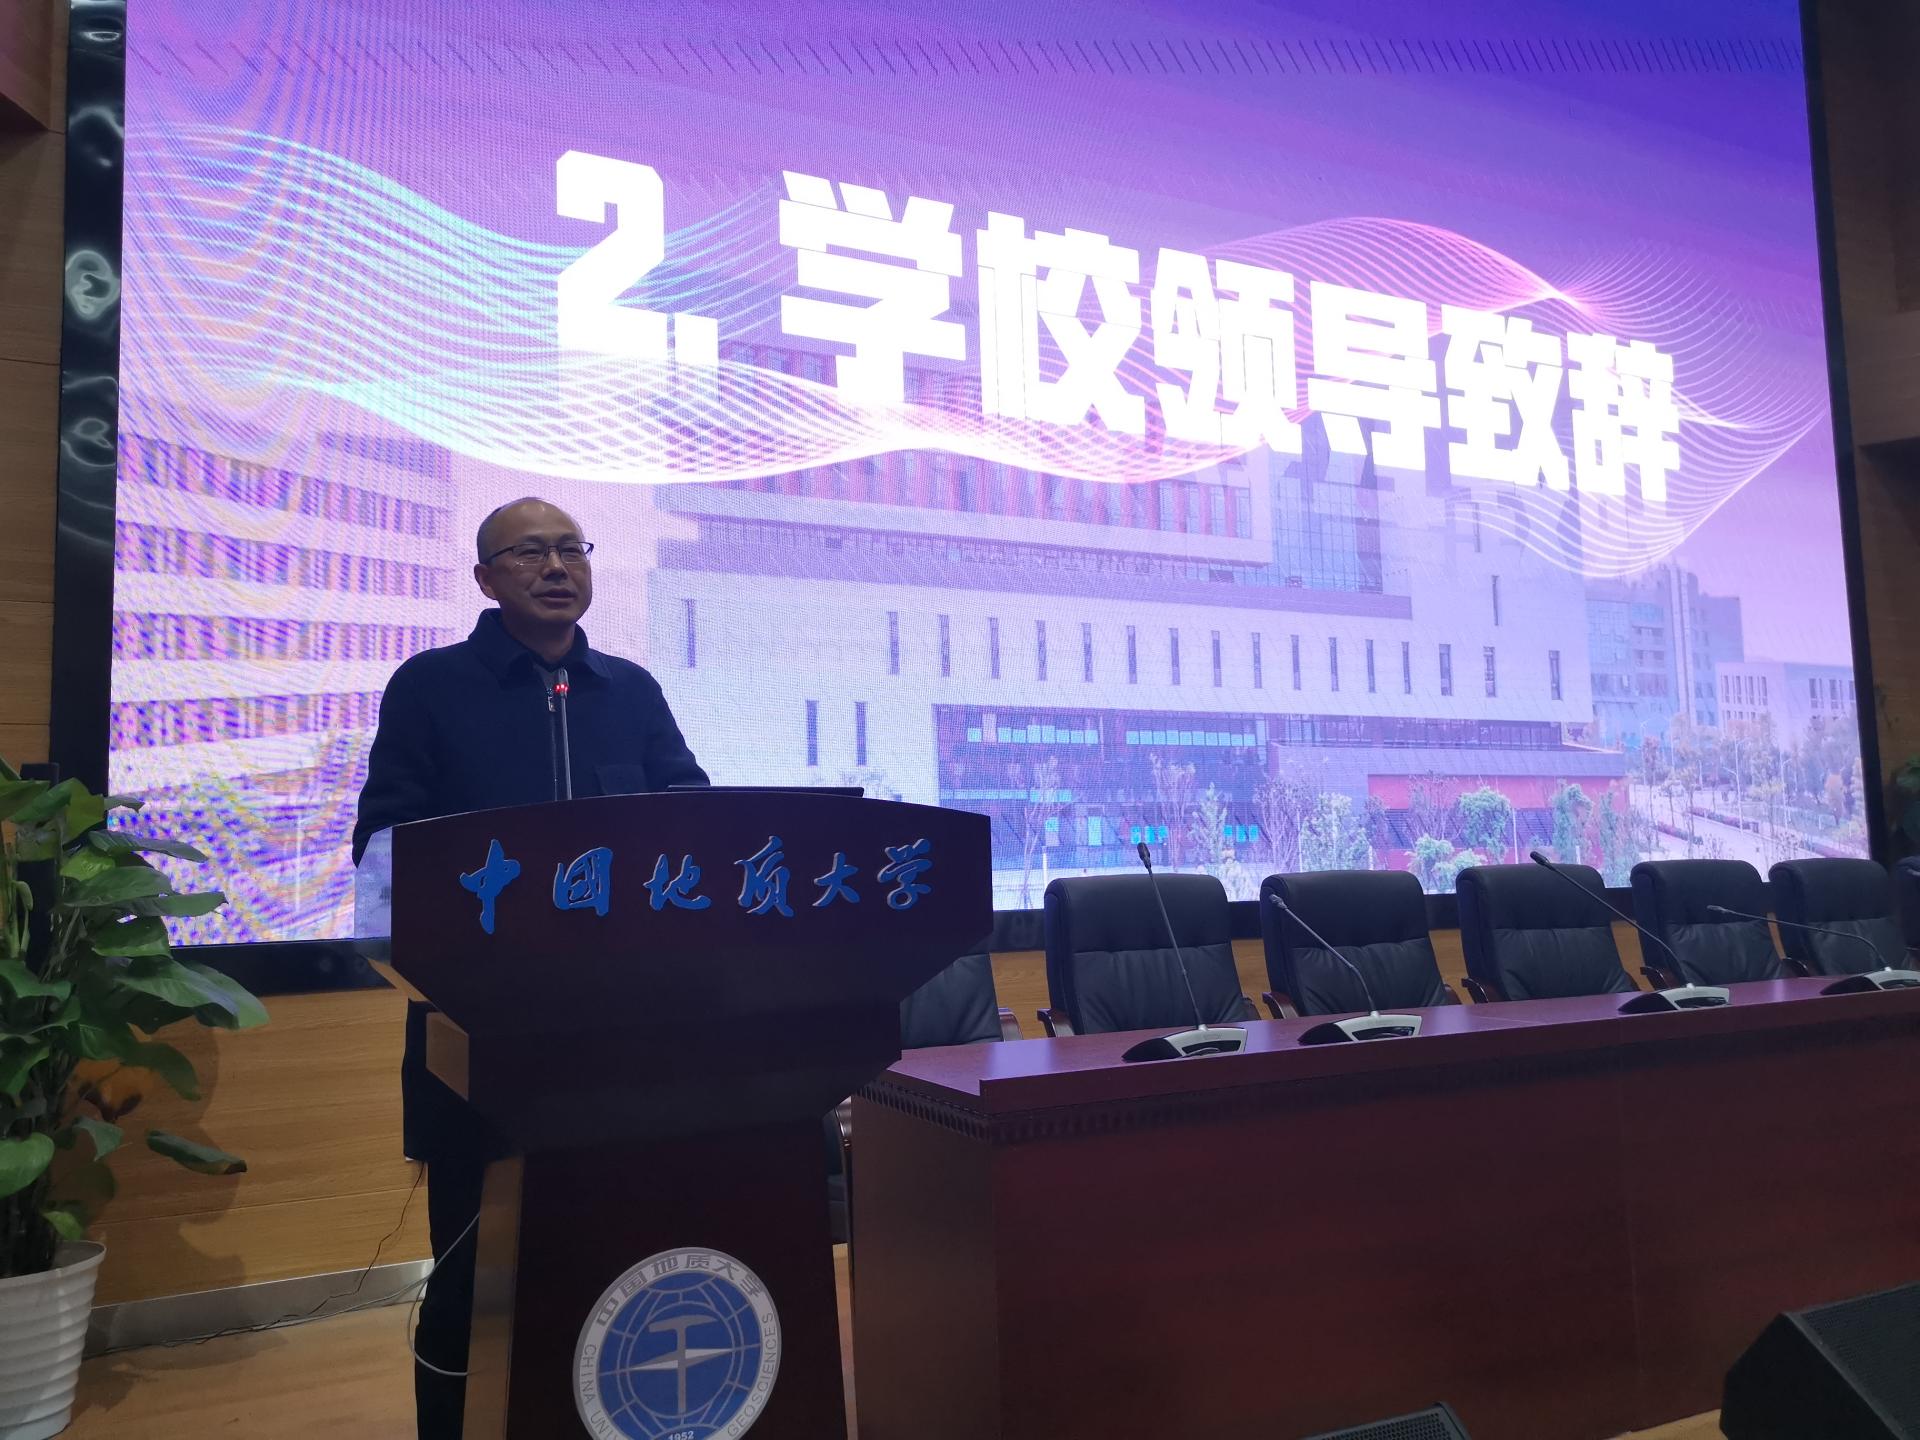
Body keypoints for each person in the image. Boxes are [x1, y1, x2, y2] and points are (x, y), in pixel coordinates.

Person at [351, 496, 708, 1439]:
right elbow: (384, 847)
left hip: (625, 1035)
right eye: (529, 553)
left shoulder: (629, 691)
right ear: (484, 579)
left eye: (570, 550)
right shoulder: (432, 687)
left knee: (618, 1255)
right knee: (474, 1275)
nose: (556, 567)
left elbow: (694, 823)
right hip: (481, 1033)